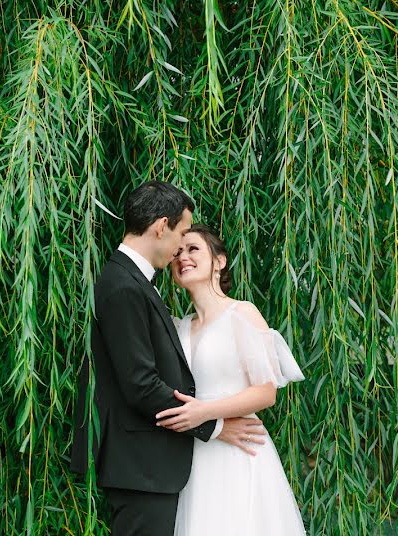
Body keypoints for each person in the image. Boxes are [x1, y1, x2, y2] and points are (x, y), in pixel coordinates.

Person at [70, 182, 269, 536]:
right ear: (161, 226)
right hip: (143, 464)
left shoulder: (136, 283)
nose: (180, 249)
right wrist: (215, 426)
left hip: (164, 464)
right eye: (180, 234)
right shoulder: (123, 285)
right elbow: (141, 385)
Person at [155, 224, 306, 535]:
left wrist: (204, 413)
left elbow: (265, 392)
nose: (183, 257)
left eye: (193, 249)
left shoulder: (242, 313)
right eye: (177, 253)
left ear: (219, 261)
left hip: (239, 451)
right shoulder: (178, 328)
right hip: (196, 455)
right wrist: (206, 423)